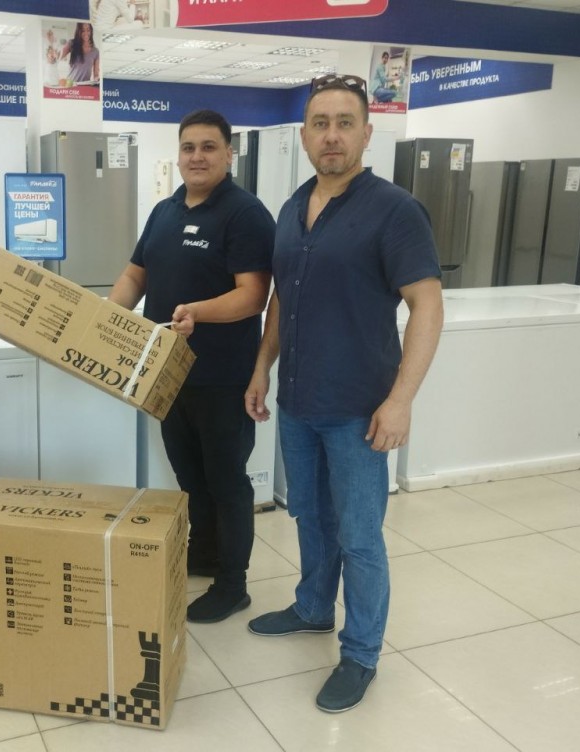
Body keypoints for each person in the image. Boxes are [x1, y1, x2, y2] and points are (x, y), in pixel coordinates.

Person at [244, 74, 443, 712]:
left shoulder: (394, 210)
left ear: (366, 132)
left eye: (344, 123)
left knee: (359, 537)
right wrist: (262, 367)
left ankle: (360, 654)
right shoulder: (291, 207)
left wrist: (401, 399)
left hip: (359, 408)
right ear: (304, 135)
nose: (331, 135)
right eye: (320, 124)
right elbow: (282, 299)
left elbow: (427, 305)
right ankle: (312, 608)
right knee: (310, 515)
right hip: (299, 402)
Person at [109, 109, 275, 624]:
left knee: (227, 481)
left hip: (222, 377)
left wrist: (197, 312)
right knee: (189, 476)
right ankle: (203, 556)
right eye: (188, 147)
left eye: (208, 147)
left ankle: (233, 584)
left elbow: (253, 296)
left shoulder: (245, 214)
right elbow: (135, 276)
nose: (197, 157)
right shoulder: (164, 211)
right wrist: (103, 316)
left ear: (229, 154)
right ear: (178, 155)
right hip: (169, 374)